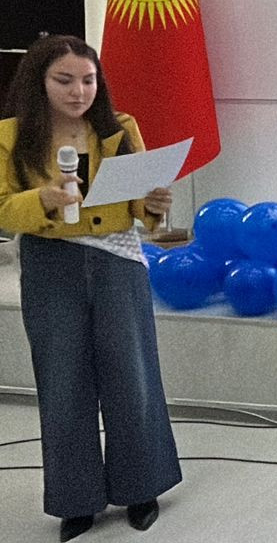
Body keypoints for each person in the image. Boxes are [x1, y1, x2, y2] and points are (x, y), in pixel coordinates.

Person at [0, 35, 182, 542]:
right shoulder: (11, 136)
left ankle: (141, 488)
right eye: (64, 80)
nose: (78, 91)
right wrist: (42, 199)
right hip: (49, 261)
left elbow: (141, 206)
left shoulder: (119, 129)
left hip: (117, 260)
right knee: (63, 381)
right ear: (39, 82)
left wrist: (154, 204)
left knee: (132, 376)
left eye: (88, 80)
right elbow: (2, 207)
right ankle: (75, 501)